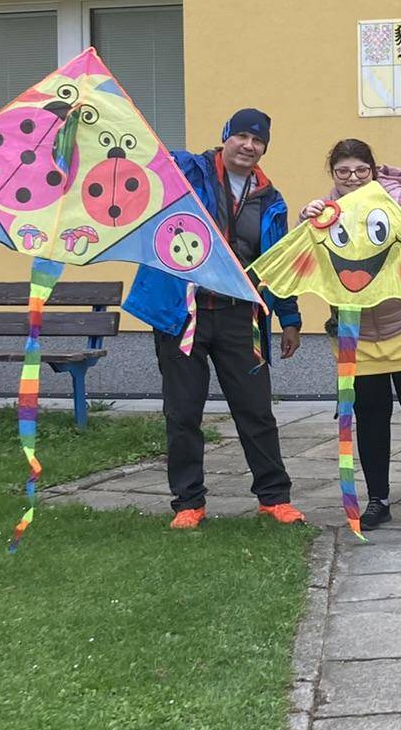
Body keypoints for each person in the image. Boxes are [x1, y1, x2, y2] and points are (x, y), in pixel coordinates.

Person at [125, 108, 303, 529]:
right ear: (226, 137)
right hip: (182, 313)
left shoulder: (271, 200)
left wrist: (290, 317)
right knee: (183, 412)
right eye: (241, 136)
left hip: (240, 317)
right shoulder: (191, 170)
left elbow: (278, 263)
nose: (249, 146)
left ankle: (274, 499)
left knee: (256, 410)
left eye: (258, 141)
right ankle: (189, 503)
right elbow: (146, 157)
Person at [299, 140, 401, 530]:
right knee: (370, 416)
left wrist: (388, 224)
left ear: (372, 169)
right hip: (358, 333)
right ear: (333, 174)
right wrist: (307, 221)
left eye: (361, 170)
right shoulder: (327, 210)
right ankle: (378, 499)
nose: (353, 178)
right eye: (343, 171)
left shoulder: (397, 197)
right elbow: (310, 258)